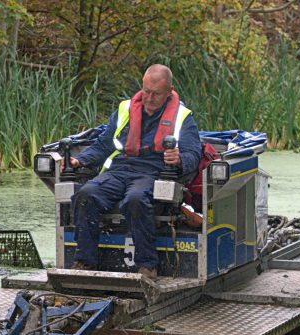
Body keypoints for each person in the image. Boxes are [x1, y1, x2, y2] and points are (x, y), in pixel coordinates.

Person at [67, 64, 202, 279]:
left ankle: (147, 266)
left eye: (156, 94)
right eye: (146, 91)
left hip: (154, 172)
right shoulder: (125, 110)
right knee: (86, 195)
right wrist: (79, 160)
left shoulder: (183, 117)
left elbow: (194, 153)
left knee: (135, 199)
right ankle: (84, 261)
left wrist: (179, 159)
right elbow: (103, 145)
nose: (149, 98)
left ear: (169, 92)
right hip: (120, 169)